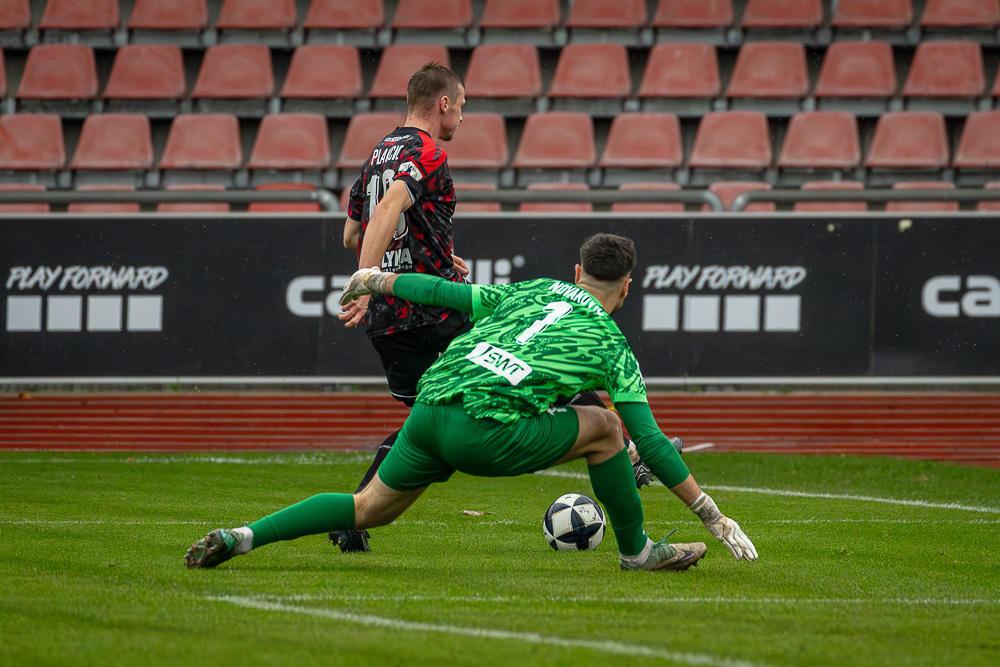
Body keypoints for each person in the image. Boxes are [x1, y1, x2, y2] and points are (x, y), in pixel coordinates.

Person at [185, 234, 758, 572]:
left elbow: (445, 292)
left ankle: (243, 536)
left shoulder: (533, 289)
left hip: (429, 408)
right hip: (483, 432)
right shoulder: (612, 345)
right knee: (608, 428)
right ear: (627, 288)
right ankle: (637, 552)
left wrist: (376, 279)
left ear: (576, 273)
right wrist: (711, 514)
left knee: (367, 508)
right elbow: (650, 440)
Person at [332, 61, 473, 552]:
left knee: (427, 428)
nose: (462, 117)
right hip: (430, 309)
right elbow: (392, 205)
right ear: (443, 103)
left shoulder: (378, 154)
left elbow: (350, 231)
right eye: (461, 106)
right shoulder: (428, 151)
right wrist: (366, 281)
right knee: (523, 343)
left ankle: (352, 518)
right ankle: (626, 451)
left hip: (386, 324)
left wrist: (431, 245)